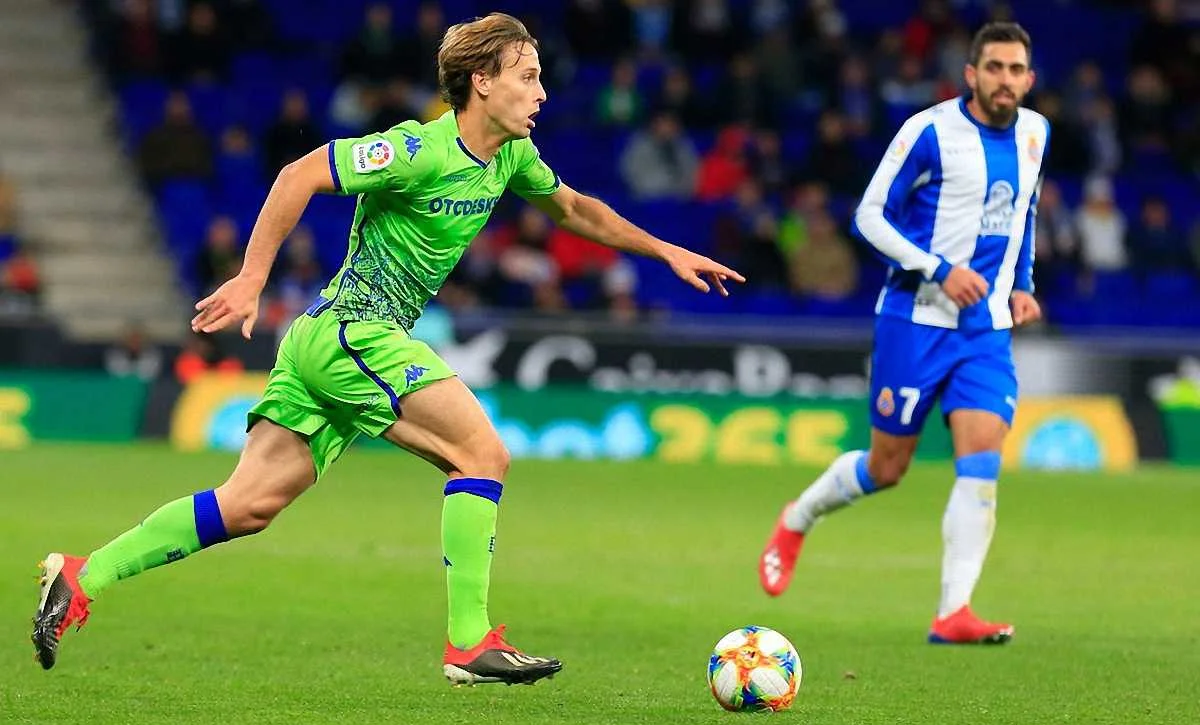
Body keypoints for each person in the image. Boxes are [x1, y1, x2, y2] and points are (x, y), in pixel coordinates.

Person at [33, 13, 742, 684]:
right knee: (482, 455)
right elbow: (299, 174)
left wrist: (665, 250)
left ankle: (82, 574)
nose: (542, 93)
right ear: (482, 82)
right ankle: (469, 642)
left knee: (247, 505)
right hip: (354, 330)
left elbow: (575, 208)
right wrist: (252, 277)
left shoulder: (511, 156)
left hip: (329, 340)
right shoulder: (417, 150)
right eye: (527, 76)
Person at [757, 22, 1047, 645]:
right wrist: (939, 269)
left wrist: (1022, 283)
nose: (1005, 80)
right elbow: (868, 216)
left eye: (1015, 69)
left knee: (981, 463)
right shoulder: (929, 131)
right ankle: (798, 517)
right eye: (994, 68)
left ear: (1029, 78)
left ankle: (953, 612)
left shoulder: (1035, 133)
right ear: (971, 74)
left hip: (986, 331)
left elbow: (1023, 212)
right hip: (914, 322)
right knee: (887, 467)